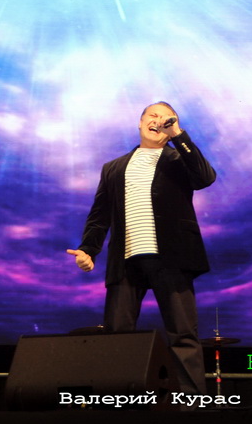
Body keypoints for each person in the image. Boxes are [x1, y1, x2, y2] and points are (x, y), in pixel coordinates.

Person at [66, 101, 216, 396]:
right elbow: (100, 215)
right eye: (153, 115)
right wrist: (88, 250)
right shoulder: (113, 168)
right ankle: (119, 398)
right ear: (140, 121)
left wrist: (178, 135)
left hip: (172, 257)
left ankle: (190, 401)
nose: (158, 121)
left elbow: (205, 178)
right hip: (126, 260)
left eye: (166, 118)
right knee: (117, 334)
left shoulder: (179, 160)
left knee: (183, 333)